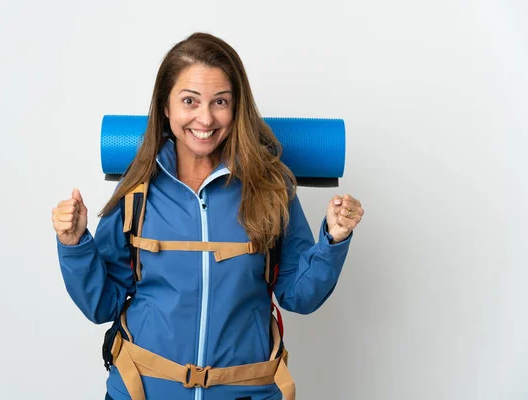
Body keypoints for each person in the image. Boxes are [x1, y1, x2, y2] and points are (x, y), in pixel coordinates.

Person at [52, 32, 364, 400]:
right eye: (189, 101)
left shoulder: (271, 185)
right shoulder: (137, 188)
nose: (205, 117)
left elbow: (299, 296)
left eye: (220, 102)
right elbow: (103, 304)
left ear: (237, 108)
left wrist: (334, 239)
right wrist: (74, 244)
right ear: (166, 107)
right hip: (141, 392)